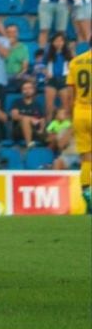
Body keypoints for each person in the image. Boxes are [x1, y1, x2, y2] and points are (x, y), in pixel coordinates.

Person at [64, 48, 90, 213]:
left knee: (86, 158)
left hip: (80, 112)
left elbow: (70, 92)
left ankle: (87, 194)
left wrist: (68, 113)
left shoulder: (76, 61)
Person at [9, 79, 46, 148]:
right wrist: (30, 119)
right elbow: (14, 116)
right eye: (24, 89)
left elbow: (42, 119)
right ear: (22, 91)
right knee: (25, 119)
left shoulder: (37, 105)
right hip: (19, 131)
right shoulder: (17, 102)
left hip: (34, 130)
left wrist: (41, 130)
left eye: (29, 88)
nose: (27, 91)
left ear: (33, 90)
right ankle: (29, 144)